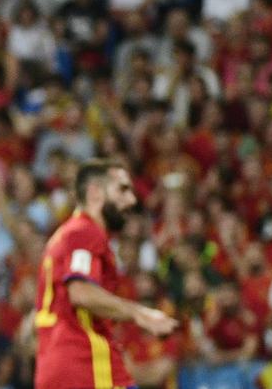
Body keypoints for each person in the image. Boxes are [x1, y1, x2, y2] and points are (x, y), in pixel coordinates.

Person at [33, 158, 178, 389]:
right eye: (122, 189)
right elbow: (80, 292)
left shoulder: (65, 235)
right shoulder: (85, 232)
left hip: (60, 364)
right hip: (85, 364)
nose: (131, 200)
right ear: (95, 193)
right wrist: (141, 314)